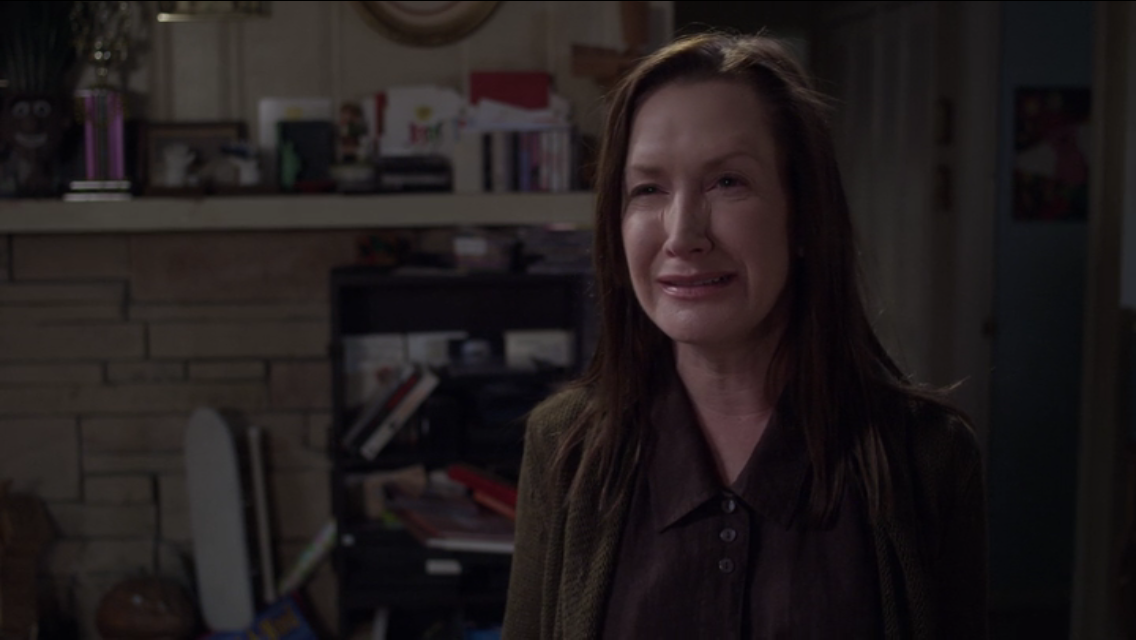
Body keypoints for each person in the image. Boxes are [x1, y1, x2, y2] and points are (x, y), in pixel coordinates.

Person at [502, 32, 988, 640]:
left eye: (727, 182)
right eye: (648, 189)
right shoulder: (564, 446)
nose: (682, 234)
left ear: (804, 216)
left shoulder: (928, 456)